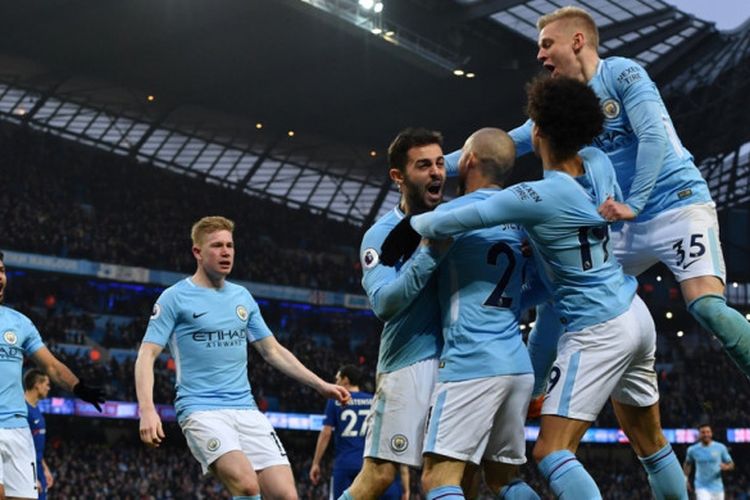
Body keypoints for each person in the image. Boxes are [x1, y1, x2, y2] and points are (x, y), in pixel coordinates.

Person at [384, 77, 687, 500]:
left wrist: (407, 224)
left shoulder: (534, 195)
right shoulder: (598, 162)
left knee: (548, 451)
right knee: (650, 444)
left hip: (593, 327)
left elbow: (450, 221)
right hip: (631, 311)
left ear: (538, 132)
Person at [509, 5, 750, 379]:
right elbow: (510, 144)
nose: (539, 55)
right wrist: (445, 161)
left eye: (546, 44)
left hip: (677, 204)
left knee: (707, 306)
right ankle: (528, 392)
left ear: (577, 41)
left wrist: (634, 203)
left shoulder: (622, 72)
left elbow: (653, 137)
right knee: (559, 295)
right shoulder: (565, 102)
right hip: (618, 222)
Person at [135, 216, 349, 500]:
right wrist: (147, 409)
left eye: (230, 245)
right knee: (247, 486)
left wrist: (320, 385)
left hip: (246, 410)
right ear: (197, 252)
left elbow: (272, 351)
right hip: (201, 410)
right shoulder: (174, 298)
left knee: (287, 495)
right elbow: (146, 355)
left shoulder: (242, 297)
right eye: (217, 246)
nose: (226, 252)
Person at [404, 128, 539, 500]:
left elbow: (414, 235)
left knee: (437, 478)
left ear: (468, 160)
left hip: (471, 362)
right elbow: (544, 285)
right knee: (501, 480)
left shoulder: (452, 214)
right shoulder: (523, 218)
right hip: (516, 364)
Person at [341, 128, 447, 500]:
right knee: (379, 474)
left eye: (439, 163)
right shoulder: (380, 235)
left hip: (461, 364)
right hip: (408, 362)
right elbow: (384, 303)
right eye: (423, 166)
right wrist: (430, 250)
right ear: (398, 177)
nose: (436, 172)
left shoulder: (458, 217)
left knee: (459, 475)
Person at [0, 250, 105, 500]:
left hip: (17, 428)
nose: (0, 276)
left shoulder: (19, 323)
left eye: (2, 270)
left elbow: (52, 367)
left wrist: (79, 388)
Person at [310, 365, 407, 500]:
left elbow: (326, 433)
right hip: (368, 464)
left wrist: (316, 463)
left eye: (337, 379)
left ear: (346, 380)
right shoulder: (373, 400)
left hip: (344, 464)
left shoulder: (336, 401)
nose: (335, 383)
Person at [24, 369, 54, 500]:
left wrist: (45, 468)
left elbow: (36, 448)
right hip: (25, 471)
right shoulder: (22, 409)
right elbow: (19, 447)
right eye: (46, 384)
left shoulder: (36, 409)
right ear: (37, 384)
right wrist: (30, 477)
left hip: (38, 468)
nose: (49, 387)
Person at [684, 424, 734, 500]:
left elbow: (731, 464)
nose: (706, 434)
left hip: (718, 488)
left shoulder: (720, 447)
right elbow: (688, 464)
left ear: (711, 433)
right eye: (703, 432)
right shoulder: (692, 450)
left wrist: (726, 467)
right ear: (699, 434)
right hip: (701, 487)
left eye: (708, 432)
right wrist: (685, 479)